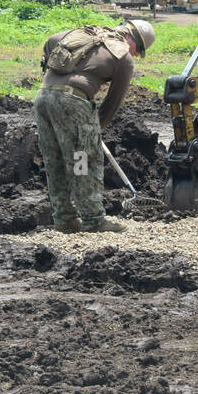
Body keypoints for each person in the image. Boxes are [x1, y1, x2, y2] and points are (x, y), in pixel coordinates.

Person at [36, 19, 155, 233]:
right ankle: (93, 220)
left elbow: (51, 41)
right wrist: (94, 131)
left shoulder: (85, 33)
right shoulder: (123, 57)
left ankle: (64, 220)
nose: (137, 55)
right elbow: (113, 102)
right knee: (83, 160)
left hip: (43, 97)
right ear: (131, 38)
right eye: (140, 49)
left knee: (54, 160)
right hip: (72, 102)